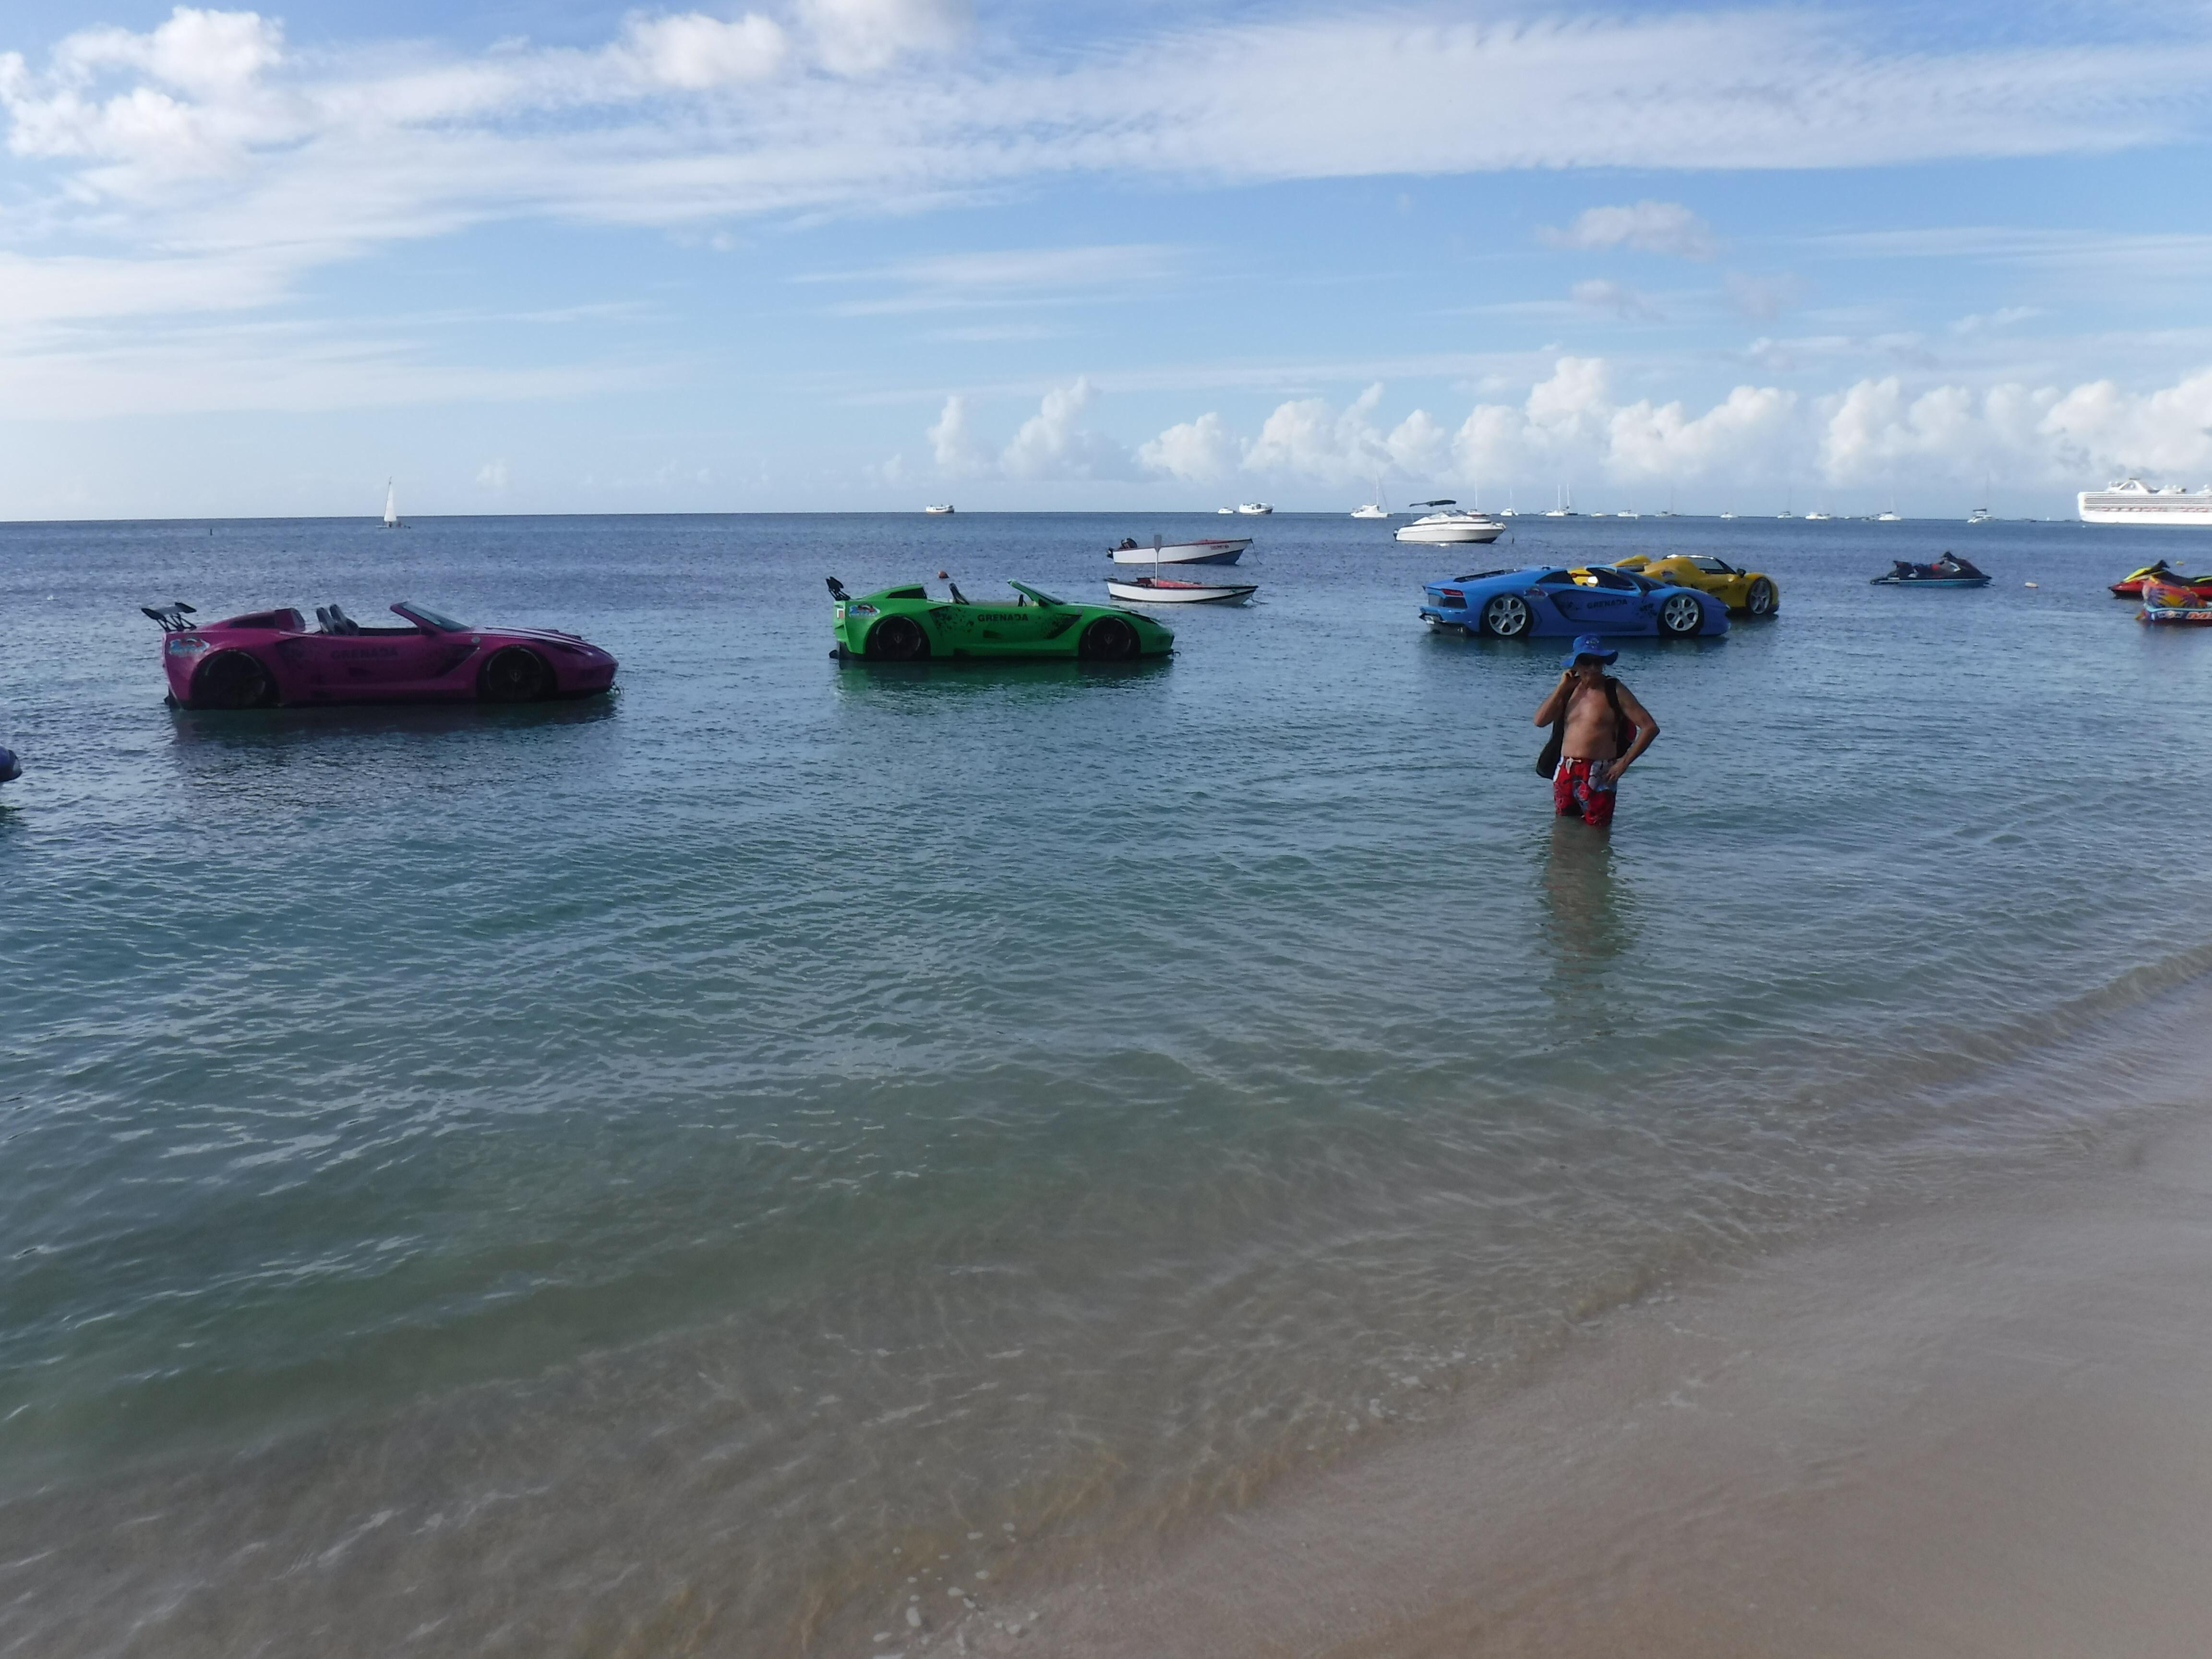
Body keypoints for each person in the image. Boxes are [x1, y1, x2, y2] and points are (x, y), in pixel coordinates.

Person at [1532, 635, 1659, 829]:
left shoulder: (1614, 690)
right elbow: (1540, 721)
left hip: (1599, 772)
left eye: (1597, 662)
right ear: (1575, 665)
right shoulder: (1568, 691)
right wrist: (1561, 688)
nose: (1592, 668)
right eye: (1586, 662)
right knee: (1563, 832)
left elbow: (1650, 728)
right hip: (1566, 770)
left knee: (1598, 834)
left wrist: (1623, 764)